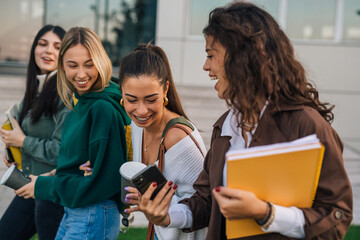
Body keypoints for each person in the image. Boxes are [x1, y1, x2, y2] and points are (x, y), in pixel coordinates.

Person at [134, 2, 353, 240]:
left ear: (241, 57)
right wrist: (166, 216)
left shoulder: (307, 125)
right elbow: (206, 202)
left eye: (211, 55)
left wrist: (266, 213)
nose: (206, 66)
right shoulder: (225, 127)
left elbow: (336, 216)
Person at [14, 27, 131, 240]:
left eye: (89, 64)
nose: (81, 74)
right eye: (72, 65)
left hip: (93, 214)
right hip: (75, 211)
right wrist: (51, 175)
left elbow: (102, 183)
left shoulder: (101, 108)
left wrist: (42, 186)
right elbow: (78, 164)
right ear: (62, 67)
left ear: (101, 61)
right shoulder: (79, 102)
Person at [118, 43, 208, 240]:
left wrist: (159, 204)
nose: (141, 111)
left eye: (151, 100)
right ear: (121, 93)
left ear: (165, 89)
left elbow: (204, 206)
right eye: (132, 100)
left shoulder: (178, 138)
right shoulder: (136, 127)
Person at [0, 25, 68, 240]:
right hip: (31, 185)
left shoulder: (64, 94)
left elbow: (63, 150)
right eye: (42, 44)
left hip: (51, 191)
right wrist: (15, 155)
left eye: (57, 47)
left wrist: (23, 141)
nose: (48, 51)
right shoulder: (35, 89)